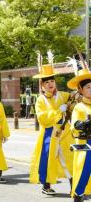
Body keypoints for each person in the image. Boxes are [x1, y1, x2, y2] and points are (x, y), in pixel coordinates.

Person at [30, 64, 74, 195]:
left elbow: (73, 98)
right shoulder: (40, 100)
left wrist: (76, 94)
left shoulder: (62, 95)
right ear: (42, 85)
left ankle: (75, 187)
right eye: (47, 82)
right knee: (48, 159)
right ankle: (46, 185)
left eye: (52, 81)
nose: (50, 84)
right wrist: (58, 111)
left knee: (69, 158)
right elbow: (42, 119)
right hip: (49, 133)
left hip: (65, 132)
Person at [67, 61, 91, 202]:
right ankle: (78, 196)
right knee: (84, 173)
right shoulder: (79, 107)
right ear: (81, 90)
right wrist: (82, 124)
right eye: (88, 87)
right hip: (86, 145)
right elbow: (74, 127)